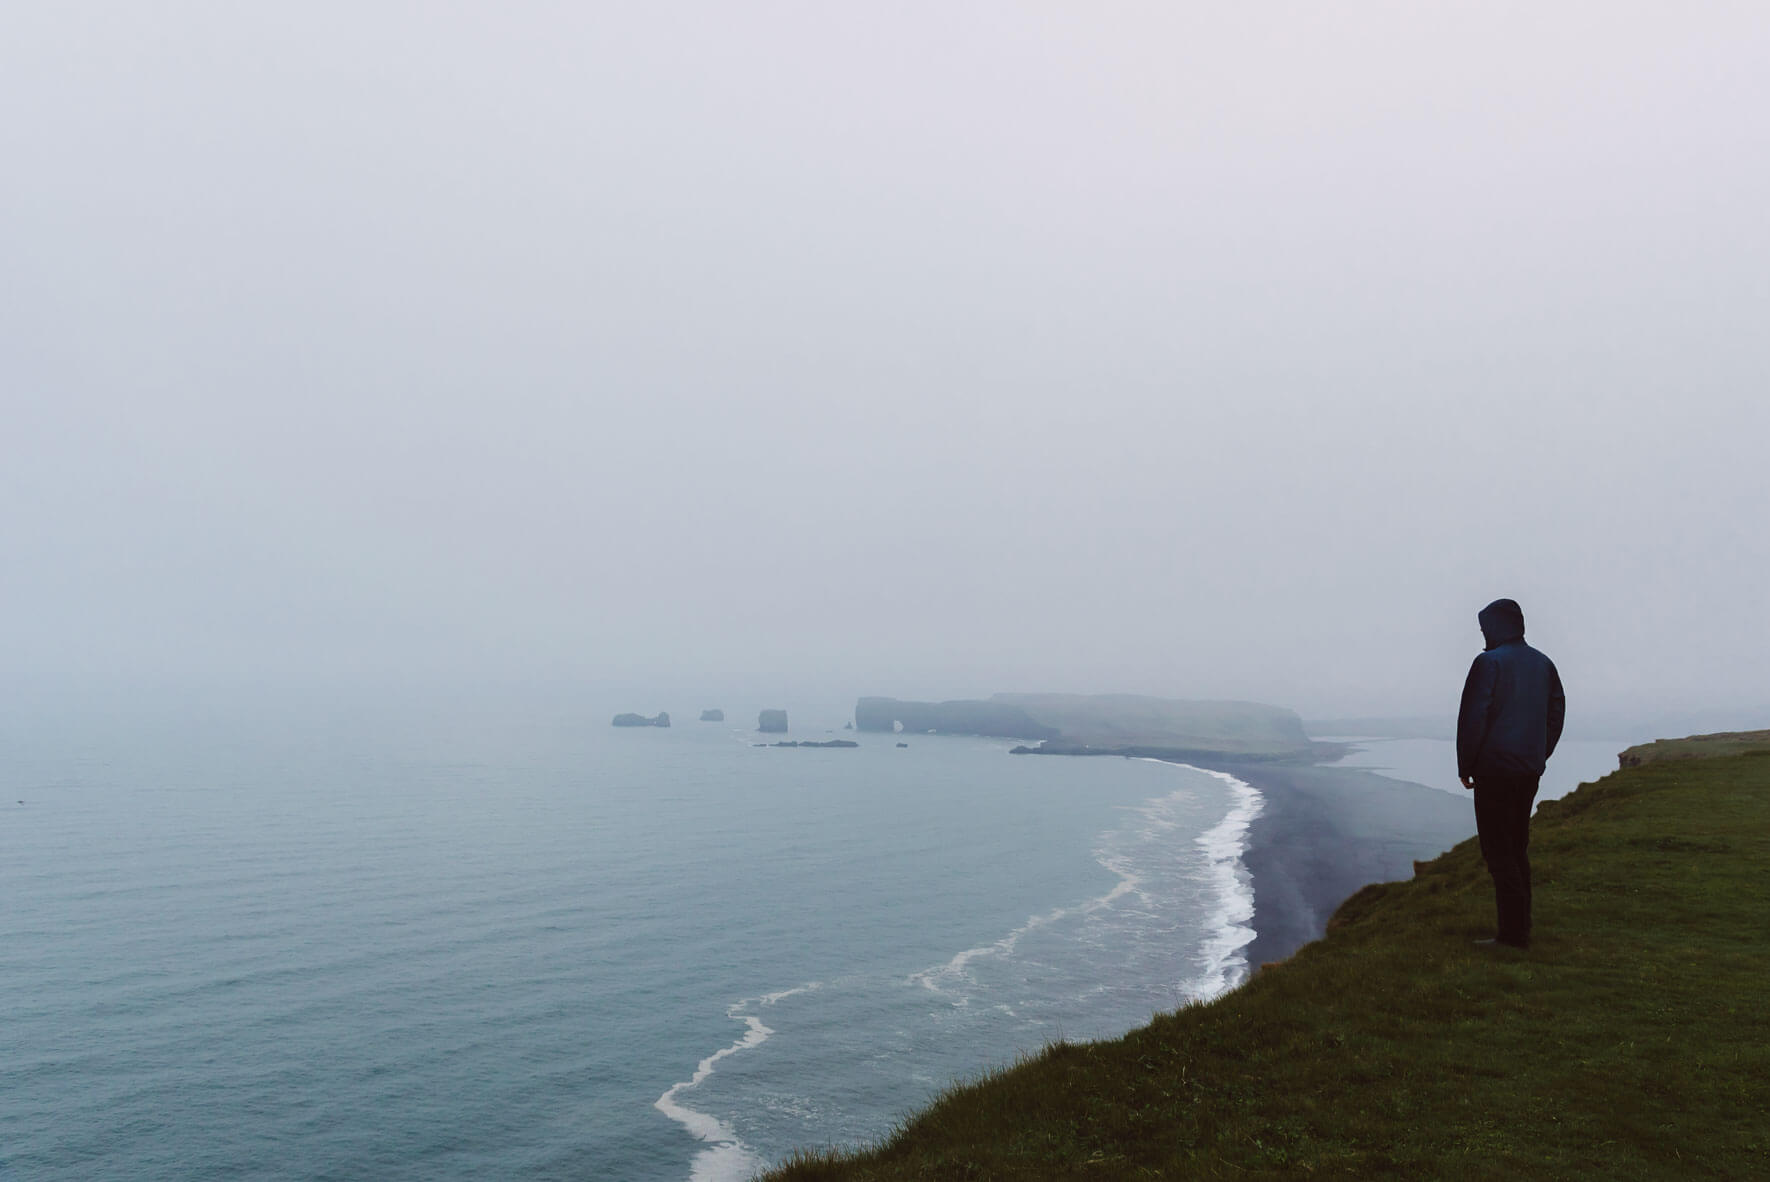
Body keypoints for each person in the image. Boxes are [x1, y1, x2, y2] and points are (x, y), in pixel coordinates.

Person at [1456, 598, 1565, 949]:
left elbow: (1474, 719)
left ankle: (1512, 936)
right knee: (1517, 848)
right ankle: (1521, 927)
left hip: (1494, 771)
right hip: (1527, 770)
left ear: (1499, 626)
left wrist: (1466, 765)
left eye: (1486, 626)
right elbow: (1555, 716)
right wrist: (1538, 754)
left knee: (1498, 850)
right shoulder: (1544, 664)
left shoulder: (1488, 663)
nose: (1484, 633)